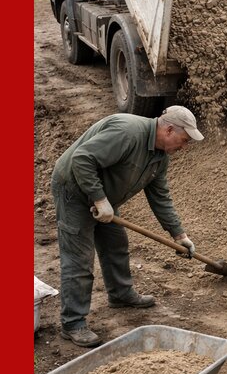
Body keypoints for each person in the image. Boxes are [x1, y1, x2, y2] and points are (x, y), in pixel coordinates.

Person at [50, 106, 204, 347]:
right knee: (79, 259)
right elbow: (82, 158)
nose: (184, 147)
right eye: (184, 140)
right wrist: (99, 199)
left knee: (115, 244)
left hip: (102, 196)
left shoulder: (159, 157)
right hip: (74, 191)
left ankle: (120, 294)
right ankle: (73, 323)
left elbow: (160, 197)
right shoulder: (128, 132)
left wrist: (179, 234)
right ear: (169, 129)